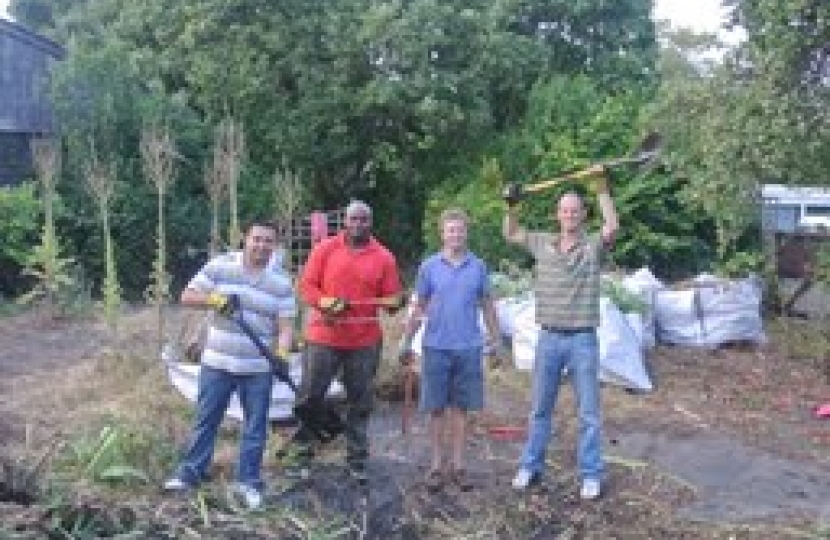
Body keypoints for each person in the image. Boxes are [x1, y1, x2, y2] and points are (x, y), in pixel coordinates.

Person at [503, 166, 618, 500]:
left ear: (583, 215)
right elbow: (511, 234)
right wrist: (511, 205)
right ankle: (530, 466)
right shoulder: (542, 243)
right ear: (558, 215)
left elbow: (612, 227)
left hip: (583, 338)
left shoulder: (592, 246)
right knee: (540, 408)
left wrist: (601, 189)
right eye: (565, 210)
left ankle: (591, 474)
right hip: (549, 338)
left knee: (589, 412)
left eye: (575, 211)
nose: (570, 215)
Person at [164, 218, 296, 510]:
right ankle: (190, 474)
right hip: (217, 364)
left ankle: (248, 483)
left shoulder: (281, 283)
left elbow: (286, 327)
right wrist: (214, 300)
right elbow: (186, 296)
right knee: (206, 421)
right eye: (256, 239)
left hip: (257, 369)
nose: (261, 245)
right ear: (245, 239)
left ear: (274, 246)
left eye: (268, 241)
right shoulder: (220, 266)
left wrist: (282, 356)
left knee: (255, 427)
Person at [292, 200, 403, 484]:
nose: (358, 224)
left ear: (370, 223)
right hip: (323, 337)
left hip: (364, 341)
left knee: (360, 402)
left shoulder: (384, 257)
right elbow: (305, 286)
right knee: (310, 397)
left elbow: (391, 299)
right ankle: (302, 455)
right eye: (353, 219)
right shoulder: (324, 249)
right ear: (345, 221)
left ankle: (356, 460)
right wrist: (324, 302)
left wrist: (395, 303)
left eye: (364, 220)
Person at [398, 208, 502, 492]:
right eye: (450, 230)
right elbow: (419, 306)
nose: (455, 235)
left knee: (461, 409)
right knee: (436, 408)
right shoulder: (429, 267)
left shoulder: (478, 267)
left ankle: (458, 465)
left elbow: (488, 305)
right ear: (442, 234)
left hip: (468, 347)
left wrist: (496, 341)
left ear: (466, 233)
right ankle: (435, 465)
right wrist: (406, 341)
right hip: (436, 347)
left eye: (460, 230)